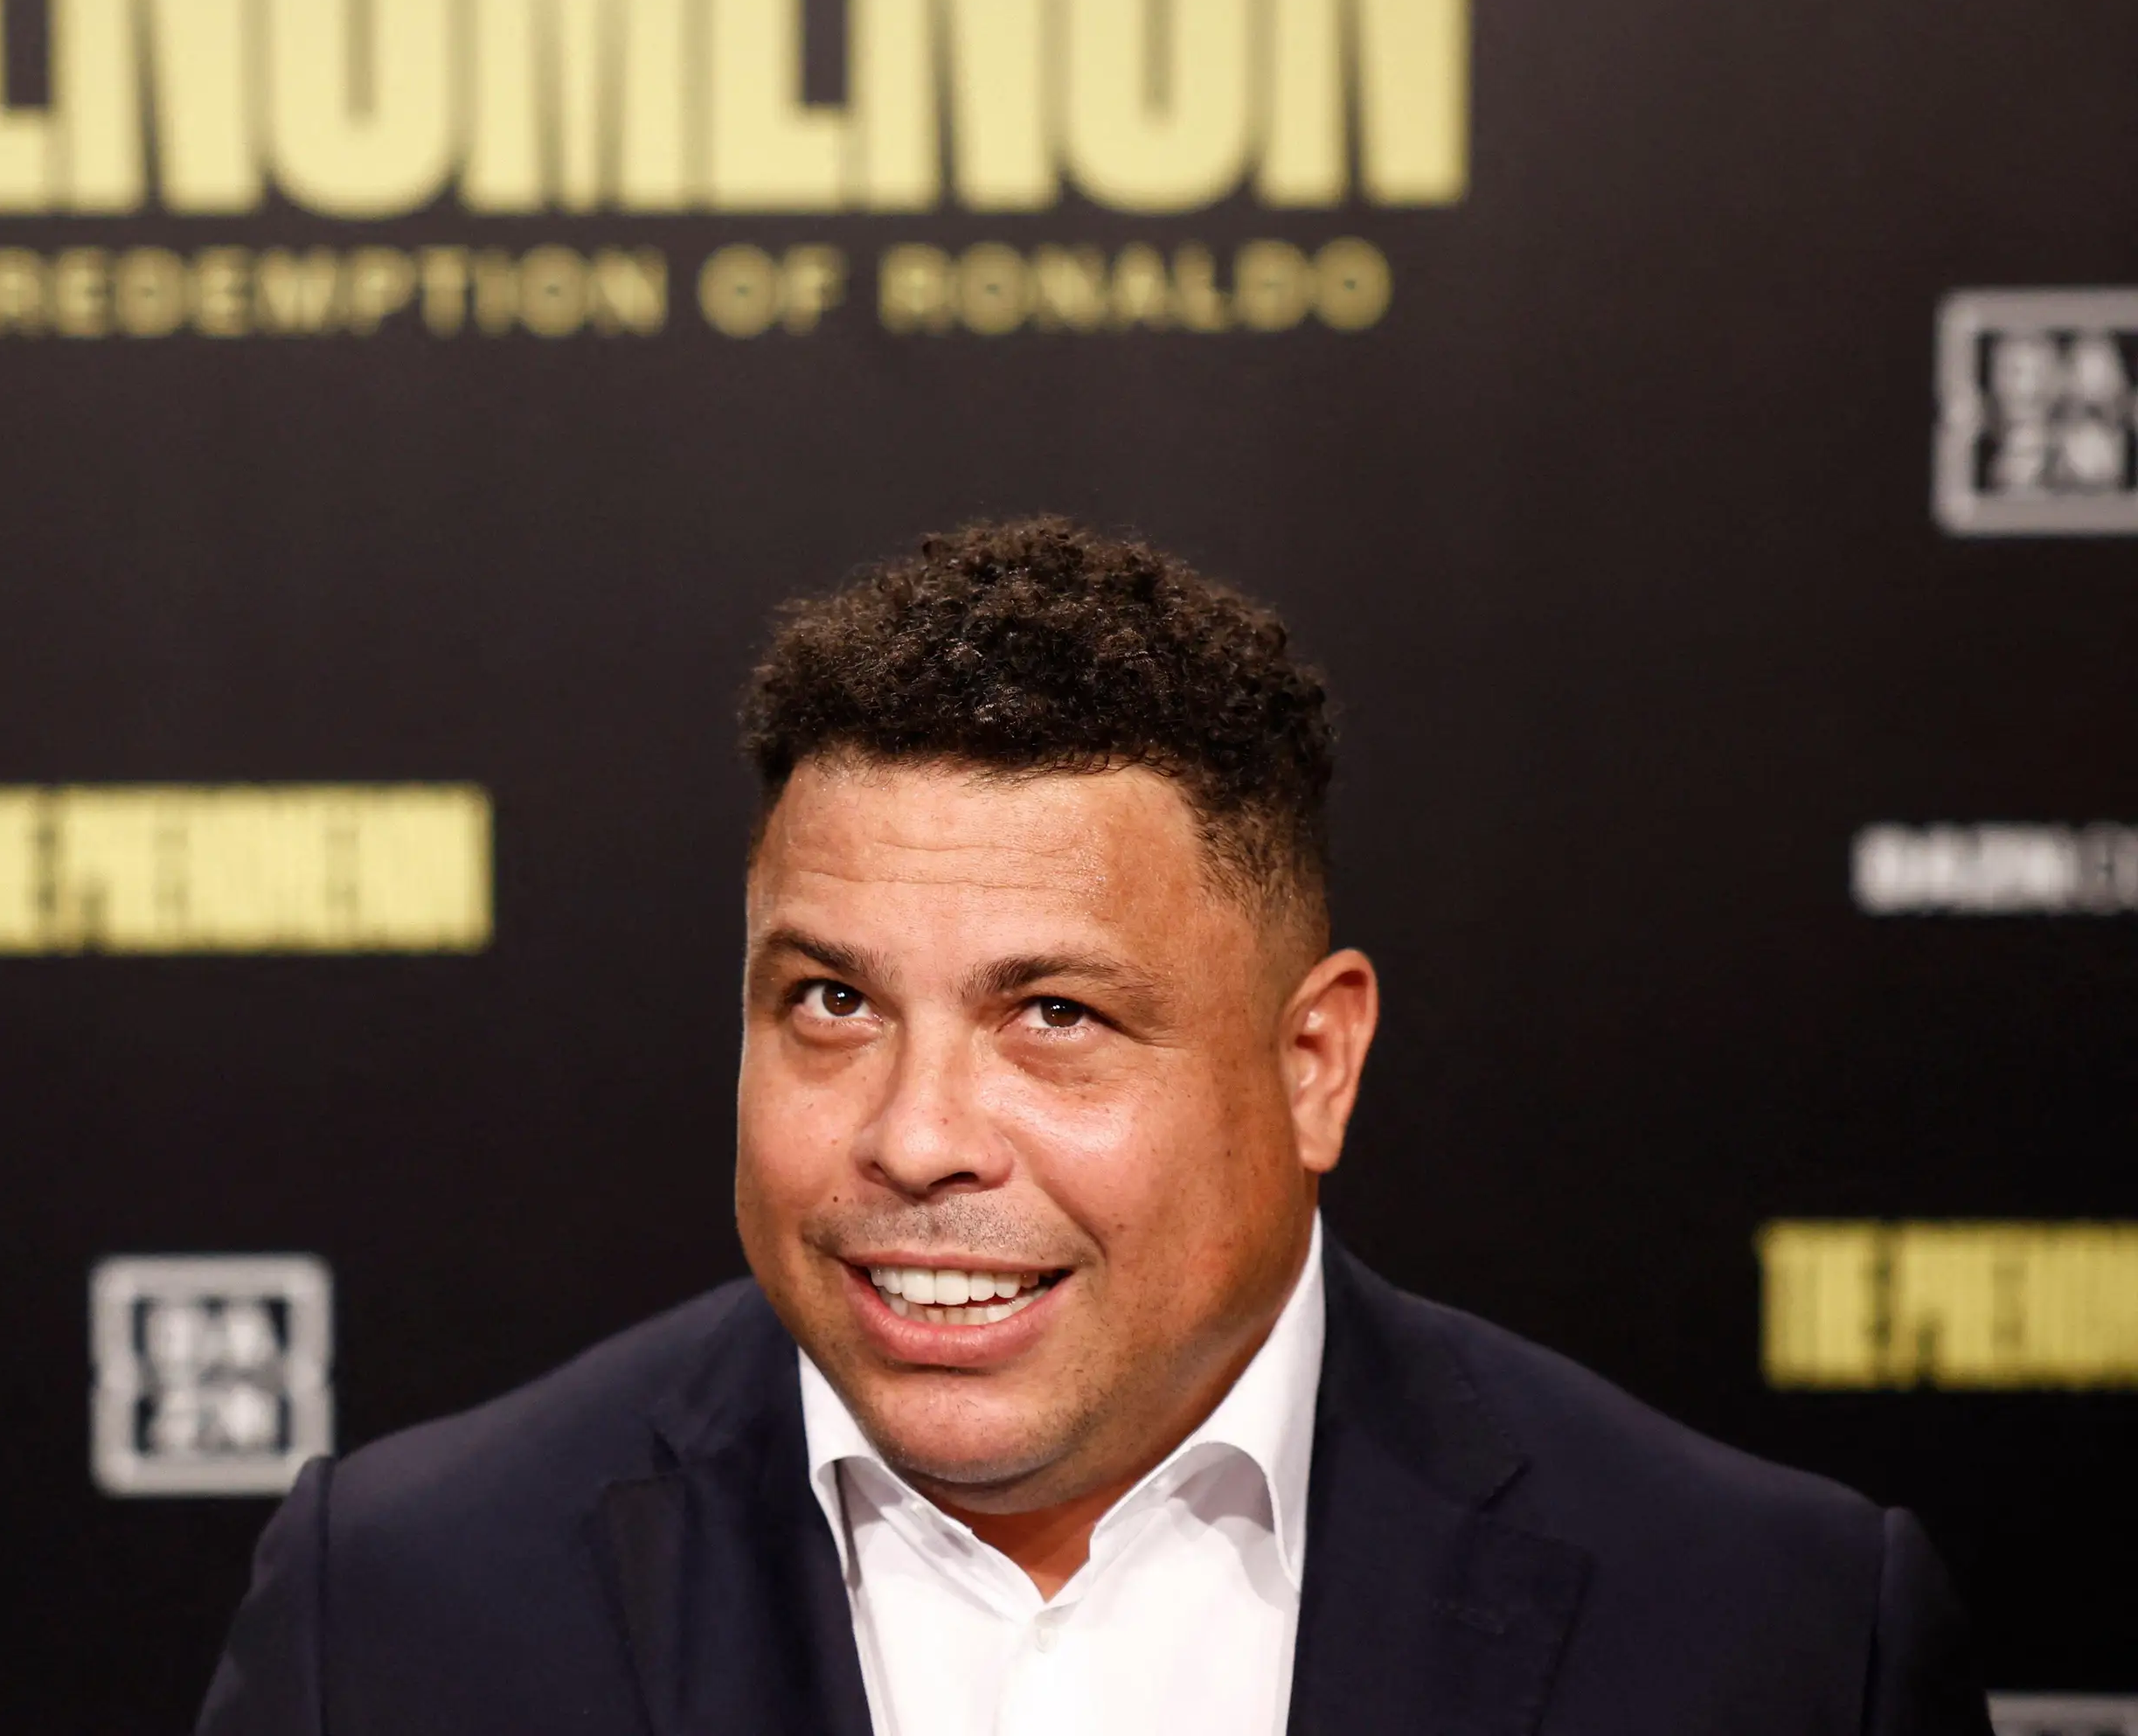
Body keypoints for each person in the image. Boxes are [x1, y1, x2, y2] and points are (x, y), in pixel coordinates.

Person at [195, 518, 1994, 1736]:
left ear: (1316, 1064)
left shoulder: (1772, 1636)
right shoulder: (405, 1610)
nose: (914, 1137)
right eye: (829, 1002)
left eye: (1053, 1016)